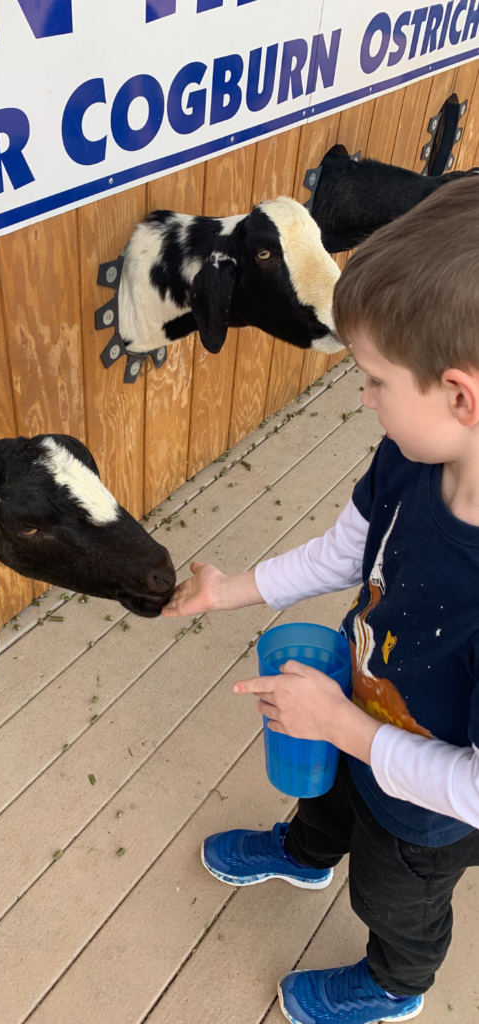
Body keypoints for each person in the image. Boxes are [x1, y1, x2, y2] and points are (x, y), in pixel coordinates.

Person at [162, 176, 479, 1024]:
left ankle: (394, 987)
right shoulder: (413, 456)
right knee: (330, 793)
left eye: (374, 379)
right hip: (364, 704)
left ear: (459, 395)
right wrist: (228, 589)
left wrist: (343, 725)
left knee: (395, 900)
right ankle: (305, 854)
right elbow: (347, 550)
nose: (361, 397)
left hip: (429, 813)